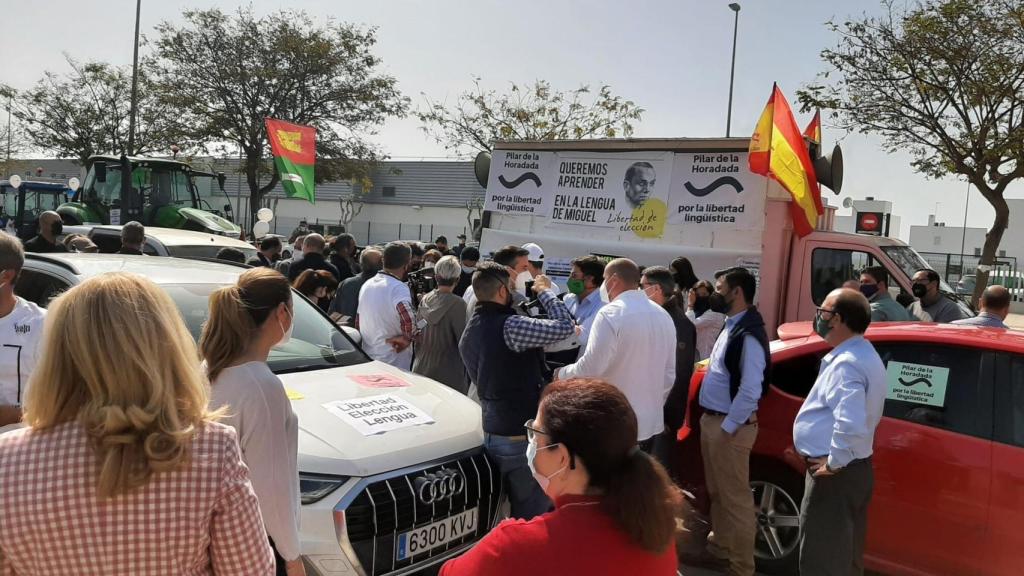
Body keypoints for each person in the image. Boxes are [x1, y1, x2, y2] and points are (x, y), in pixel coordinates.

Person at [0, 273, 274, 575]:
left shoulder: (8, 459)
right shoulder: (212, 448)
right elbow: (250, 571)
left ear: (57, 355)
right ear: (166, 347)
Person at [439, 378, 680, 576]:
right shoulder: (655, 526)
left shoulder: (514, 547)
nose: (531, 443)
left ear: (563, 458)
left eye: (535, 433)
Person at [200, 268, 304, 576]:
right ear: (282, 312)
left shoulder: (208, 369)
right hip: (256, 542)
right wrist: (293, 557)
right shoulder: (260, 385)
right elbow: (271, 487)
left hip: (210, 534)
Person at [459, 262, 575, 519]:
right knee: (531, 511)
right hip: (519, 434)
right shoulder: (511, 326)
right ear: (502, 291)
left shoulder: (470, 331)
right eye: (511, 287)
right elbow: (565, 326)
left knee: (498, 512)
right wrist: (545, 292)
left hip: (493, 430)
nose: (514, 292)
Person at [794, 288, 886, 576]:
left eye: (823, 311)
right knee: (844, 558)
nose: (818, 316)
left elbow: (850, 421)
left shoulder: (848, 363)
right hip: (852, 468)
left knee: (822, 560)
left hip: (836, 474)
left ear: (838, 319)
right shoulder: (862, 352)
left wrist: (834, 462)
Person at [694, 267, 770, 576]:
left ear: (737, 292)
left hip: (730, 427)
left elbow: (752, 389)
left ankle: (741, 568)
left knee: (736, 501)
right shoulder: (732, 324)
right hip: (716, 422)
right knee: (719, 492)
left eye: (720, 287)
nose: (715, 292)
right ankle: (720, 549)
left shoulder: (748, 334)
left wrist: (727, 428)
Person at [556, 258, 676, 452]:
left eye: (603, 279)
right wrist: (652, 405)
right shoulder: (662, 315)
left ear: (613, 280)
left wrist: (561, 374)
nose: (602, 285)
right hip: (647, 425)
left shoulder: (610, 313)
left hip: (613, 425)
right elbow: (669, 374)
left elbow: (591, 368)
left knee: (607, 481)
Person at [641, 266, 697, 462]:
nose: (640, 292)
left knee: (657, 473)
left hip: (662, 417)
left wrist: (665, 416)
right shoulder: (657, 316)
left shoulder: (677, 322)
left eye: (643, 286)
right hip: (649, 413)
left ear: (655, 289)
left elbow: (679, 373)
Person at [0, 234, 46, 427]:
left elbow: (64, 404)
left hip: (23, 450)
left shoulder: (42, 325)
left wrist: (11, 416)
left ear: (6, 276)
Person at [412, 256, 469, 393]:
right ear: (457, 279)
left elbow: (419, 327)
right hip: (448, 374)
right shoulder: (458, 304)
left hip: (421, 367)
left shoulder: (425, 299)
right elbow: (464, 342)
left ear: (436, 277)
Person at [358, 242, 418, 369]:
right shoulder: (398, 288)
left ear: (383, 260)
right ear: (407, 264)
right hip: (394, 362)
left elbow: (358, 321)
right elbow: (409, 320)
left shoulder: (367, 285)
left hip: (369, 358)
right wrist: (408, 338)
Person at [464, 245, 531, 313]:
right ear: (508, 270)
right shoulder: (516, 301)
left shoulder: (471, 289)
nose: (528, 271)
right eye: (524, 267)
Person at [329, 247, 382, 327]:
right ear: (382, 264)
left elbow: (333, 313)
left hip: (347, 333)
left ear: (361, 263)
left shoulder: (346, 284)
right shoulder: (388, 286)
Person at [563, 255, 607, 351]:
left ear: (590, 279)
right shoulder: (568, 299)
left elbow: (582, 337)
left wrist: (561, 327)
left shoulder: (603, 306)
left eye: (574, 275)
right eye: (570, 275)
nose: (569, 279)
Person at [687, 280, 728, 361]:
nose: (701, 297)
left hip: (707, 358)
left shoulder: (714, 313)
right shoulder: (697, 312)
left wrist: (690, 305)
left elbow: (690, 325)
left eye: (704, 294)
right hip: (698, 357)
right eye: (698, 295)